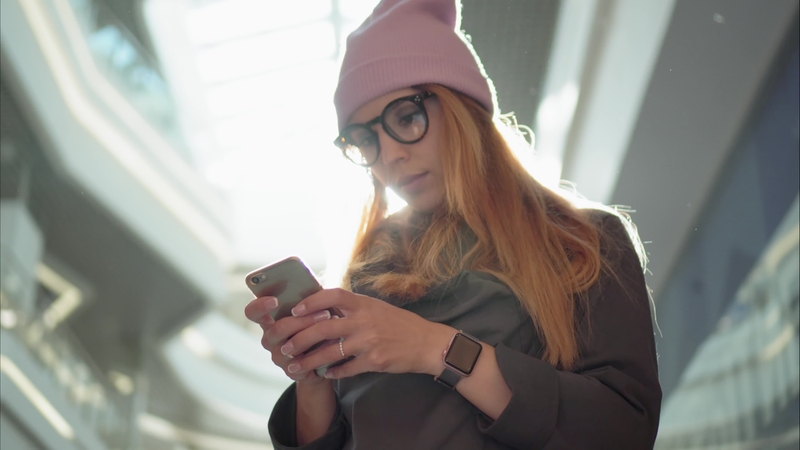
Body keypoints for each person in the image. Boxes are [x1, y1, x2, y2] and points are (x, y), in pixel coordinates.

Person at [244, 0, 662, 448]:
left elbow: (623, 428)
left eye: (406, 117)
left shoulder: (583, 244)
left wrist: (433, 349)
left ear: (464, 110)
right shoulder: (363, 277)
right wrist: (312, 377)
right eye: (364, 140)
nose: (389, 155)